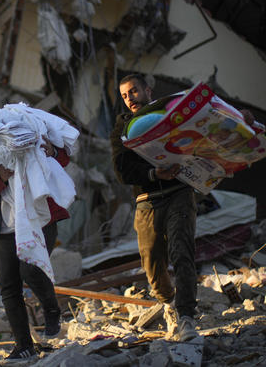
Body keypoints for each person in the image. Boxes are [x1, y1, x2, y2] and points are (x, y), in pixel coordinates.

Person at [110, 74, 256, 342]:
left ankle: (186, 315)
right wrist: (155, 173)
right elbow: (122, 170)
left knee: (182, 252)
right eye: (124, 96)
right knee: (152, 262)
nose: (130, 99)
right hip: (147, 201)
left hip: (180, 193)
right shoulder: (123, 127)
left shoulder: (173, 111)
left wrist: (239, 118)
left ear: (147, 90)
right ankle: (169, 303)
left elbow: (212, 125)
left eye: (133, 92)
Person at [0, 112, 69, 359]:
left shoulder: (23, 140)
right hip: (4, 229)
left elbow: (62, 159)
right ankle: (23, 347)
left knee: (30, 270)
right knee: (9, 288)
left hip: (39, 220)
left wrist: (51, 151)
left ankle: (52, 309)